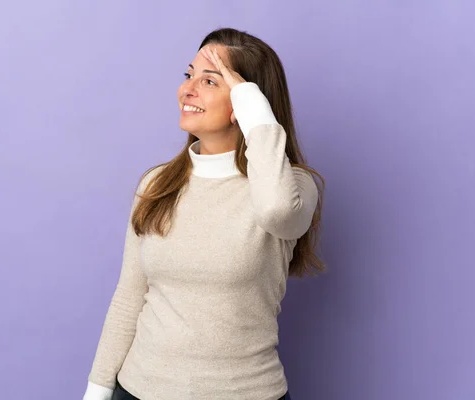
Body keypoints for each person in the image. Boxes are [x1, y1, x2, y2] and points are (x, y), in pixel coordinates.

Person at [83, 27, 325, 400]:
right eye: (188, 75)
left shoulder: (293, 186)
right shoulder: (157, 183)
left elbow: (277, 212)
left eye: (209, 80)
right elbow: (129, 295)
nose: (187, 89)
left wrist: (253, 109)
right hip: (137, 390)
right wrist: (96, 392)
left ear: (247, 102)